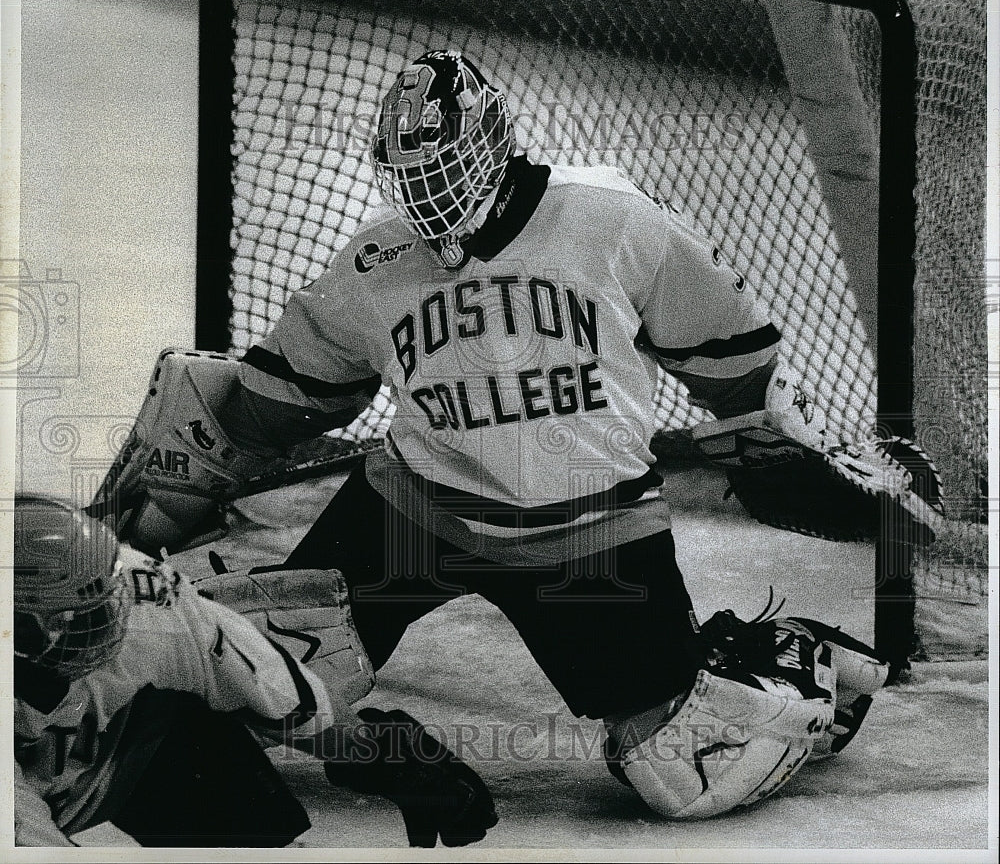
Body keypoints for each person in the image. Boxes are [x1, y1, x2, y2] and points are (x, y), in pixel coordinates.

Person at [101, 50, 893, 819]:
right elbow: (277, 398)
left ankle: (786, 658)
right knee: (248, 678)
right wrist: (173, 488)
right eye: (411, 175)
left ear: (494, 142)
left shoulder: (610, 217)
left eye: (442, 168)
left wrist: (774, 437)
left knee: (683, 770)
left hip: (591, 532)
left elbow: (732, 352)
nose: (428, 191)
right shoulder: (378, 262)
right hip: (414, 515)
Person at [13, 494, 498, 847]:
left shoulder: (151, 601)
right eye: (74, 619)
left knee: (183, 722)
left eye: (103, 602)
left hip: (100, 761)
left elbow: (275, 694)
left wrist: (382, 754)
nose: (104, 624)